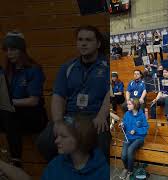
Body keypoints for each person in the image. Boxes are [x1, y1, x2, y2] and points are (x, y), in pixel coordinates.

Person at [37, 25, 109, 162]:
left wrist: (101, 116)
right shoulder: (67, 67)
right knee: (45, 142)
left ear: (98, 43)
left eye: (88, 40)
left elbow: (109, 94)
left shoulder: (107, 67)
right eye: (80, 39)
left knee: (102, 145)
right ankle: (64, 171)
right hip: (70, 117)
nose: (83, 43)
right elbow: (58, 96)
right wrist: (57, 121)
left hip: (94, 117)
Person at [1, 31, 47, 167]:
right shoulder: (7, 72)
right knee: (7, 114)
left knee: (9, 115)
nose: (9, 53)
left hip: (33, 116)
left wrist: (7, 102)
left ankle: (16, 161)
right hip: (13, 113)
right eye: (7, 50)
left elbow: (33, 101)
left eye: (13, 49)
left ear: (21, 50)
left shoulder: (33, 70)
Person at [41, 114, 109, 180]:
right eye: (57, 136)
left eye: (63, 136)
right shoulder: (55, 165)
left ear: (81, 139)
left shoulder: (102, 171)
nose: (56, 141)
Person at [119, 98, 149, 180]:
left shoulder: (142, 115)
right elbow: (124, 124)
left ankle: (130, 172)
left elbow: (145, 129)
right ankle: (125, 168)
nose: (127, 105)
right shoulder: (127, 114)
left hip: (139, 138)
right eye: (127, 104)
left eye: (129, 104)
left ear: (134, 105)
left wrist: (136, 130)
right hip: (128, 138)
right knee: (123, 156)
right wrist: (122, 125)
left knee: (130, 150)